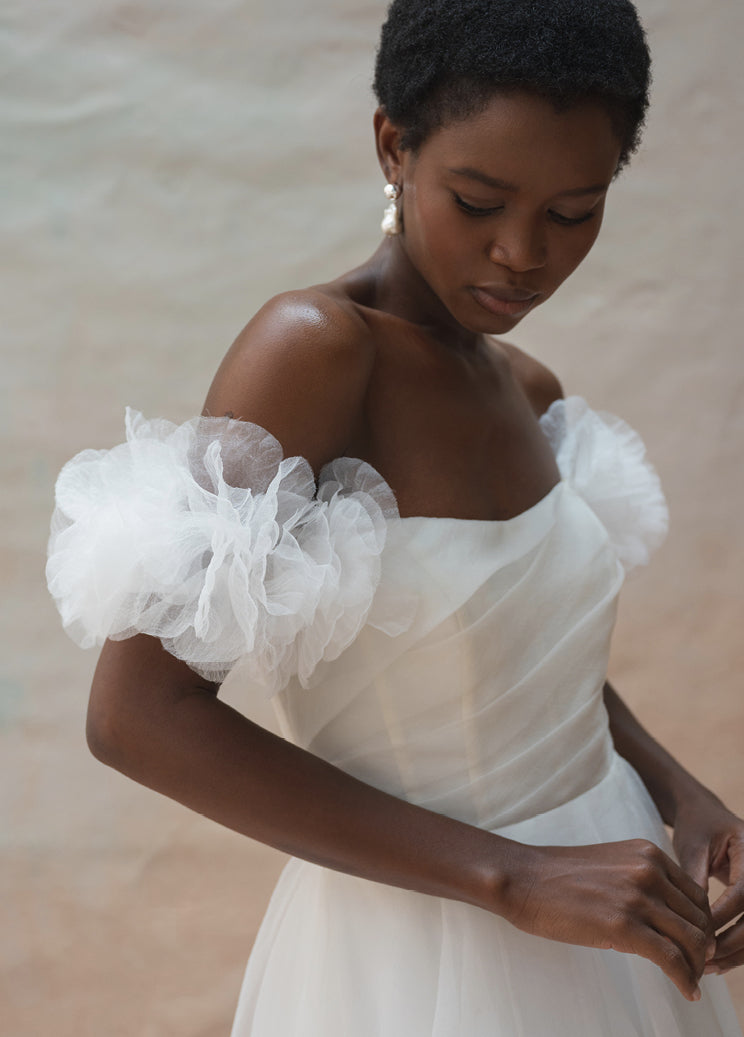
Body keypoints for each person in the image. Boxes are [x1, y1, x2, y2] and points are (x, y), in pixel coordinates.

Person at [46, 0, 744, 1033]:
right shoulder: (317, 351)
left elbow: (530, 657)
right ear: (393, 144)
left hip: (612, 907)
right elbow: (136, 715)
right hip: (426, 945)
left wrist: (682, 793)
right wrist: (515, 876)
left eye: (573, 212)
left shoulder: (527, 385)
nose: (521, 254)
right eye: (478, 199)